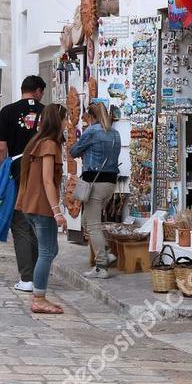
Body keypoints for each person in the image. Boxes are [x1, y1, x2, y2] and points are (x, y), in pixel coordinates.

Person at [0, 75, 46, 293]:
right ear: (37, 91)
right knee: (38, 222)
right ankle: (38, 275)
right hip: (42, 171)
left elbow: (1, 147)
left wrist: (3, 170)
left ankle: (27, 278)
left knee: (19, 223)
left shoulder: (7, 111)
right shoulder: (48, 112)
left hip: (16, 171)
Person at [14, 103, 67, 314]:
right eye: (66, 118)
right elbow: (47, 180)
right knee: (47, 252)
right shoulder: (49, 145)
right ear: (57, 121)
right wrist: (57, 211)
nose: (67, 123)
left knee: (50, 250)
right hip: (41, 206)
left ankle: (40, 295)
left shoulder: (37, 142)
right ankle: (39, 298)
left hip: (31, 204)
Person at [71, 101, 122, 278]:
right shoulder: (115, 133)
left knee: (92, 225)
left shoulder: (92, 131)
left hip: (94, 182)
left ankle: (102, 265)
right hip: (110, 183)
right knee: (87, 220)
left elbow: (74, 151)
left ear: (91, 116)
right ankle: (107, 251)